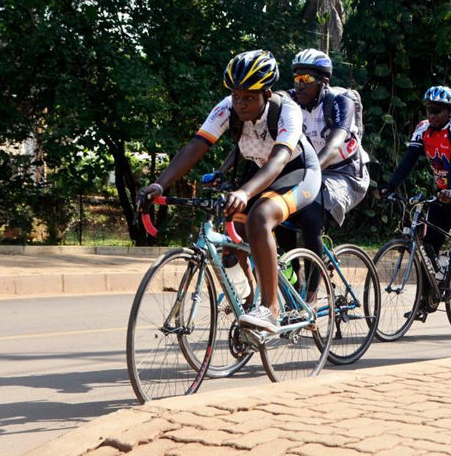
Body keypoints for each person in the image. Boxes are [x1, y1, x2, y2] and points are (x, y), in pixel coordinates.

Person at [137, 49, 322, 333]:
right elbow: (195, 147)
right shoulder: (227, 108)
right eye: (236, 95)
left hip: (298, 172)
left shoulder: (288, 110)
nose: (240, 103)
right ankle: (249, 296)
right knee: (230, 233)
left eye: (249, 97)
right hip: (258, 172)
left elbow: (277, 161)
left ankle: (270, 309)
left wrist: (245, 193)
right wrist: (160, 183)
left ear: (267, 94)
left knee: (260, 216)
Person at [377, 86, 451, 284]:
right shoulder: (422, 128)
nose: (432, 115)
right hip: (445, 190)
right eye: (429, 110)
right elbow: (408, 160)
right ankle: (427, 297)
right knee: (428, 246)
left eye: (438, 111)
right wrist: (391, 185)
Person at [276, 48, 370, 264]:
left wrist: (309, 176)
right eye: (296, 78)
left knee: (311, 217)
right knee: (279, 214)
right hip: (311, 171)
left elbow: (334, 146)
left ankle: (313, 288)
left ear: (323, 81)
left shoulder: (339, 102)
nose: (299, 84)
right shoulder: (291, 101)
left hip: (346, 174)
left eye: (306, 78)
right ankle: (293, 278)